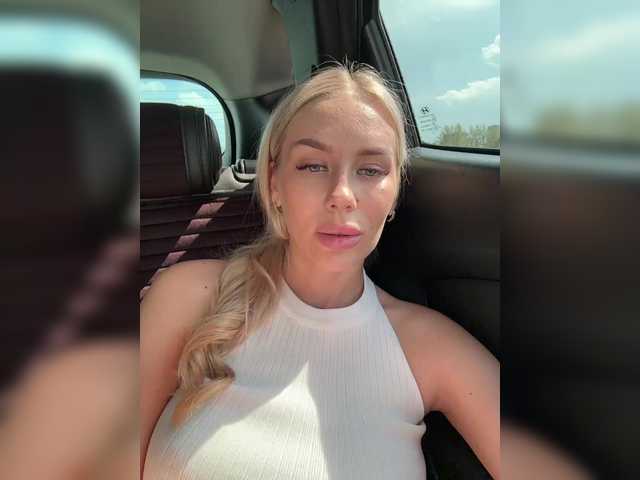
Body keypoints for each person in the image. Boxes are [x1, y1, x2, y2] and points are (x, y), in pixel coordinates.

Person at [141, 62, 499, 479]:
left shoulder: (431, 346)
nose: (342, 195)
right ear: (274, 183)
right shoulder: (189, 296)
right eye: (312, 165)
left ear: (394, 195)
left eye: (371, 170)